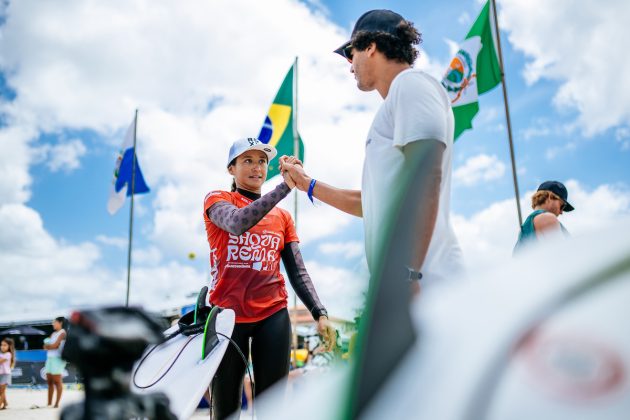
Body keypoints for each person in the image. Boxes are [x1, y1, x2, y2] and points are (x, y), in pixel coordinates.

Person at [280, 9, 464, 291]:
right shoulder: (399, 99)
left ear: (371, 46)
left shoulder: (411, 84)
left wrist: (408, 273)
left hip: (428, 282)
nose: (350, 66)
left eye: (350, 54)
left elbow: (427, 178)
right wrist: (308, 184)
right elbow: (373, 204)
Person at [203, 137, 336, 419]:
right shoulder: (217, 200)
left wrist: (319, 312)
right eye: (247, 161)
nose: (256, 167)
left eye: (262, 161)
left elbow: (297, 270)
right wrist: (285, 187)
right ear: (231, 169)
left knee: (271, 410)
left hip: (272, 315)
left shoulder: (283, 217)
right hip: (227, 317)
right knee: (225, 410)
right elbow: (238, 223)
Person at [513, 181, 574, 253]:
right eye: (562, 206)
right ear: (550, 197)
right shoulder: (546, 218)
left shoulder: (527, 227)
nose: (561, 212)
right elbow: (561, 256)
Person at [43, 317, 67, 408]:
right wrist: (50, 346)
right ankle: (49, 403)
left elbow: (54, 346)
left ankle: (57, 404)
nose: (53, 324)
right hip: (49, 358)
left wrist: (49, 346)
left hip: (58, 359)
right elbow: (46, 346)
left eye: (54, 322)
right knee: (49, 382)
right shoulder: (53, 333)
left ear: (60, 323)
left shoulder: (63, 332)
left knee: (57, 381)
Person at [0, 338, 16, 410]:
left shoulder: (8, 354)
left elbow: (0, 361)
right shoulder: (1, 353)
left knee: (1, 391)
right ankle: (5, 403)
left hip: (5, 374)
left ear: (9, 346)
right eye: (1, 345)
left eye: (5, 345)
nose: (2, 346)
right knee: (2, 391)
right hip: (0, 374)